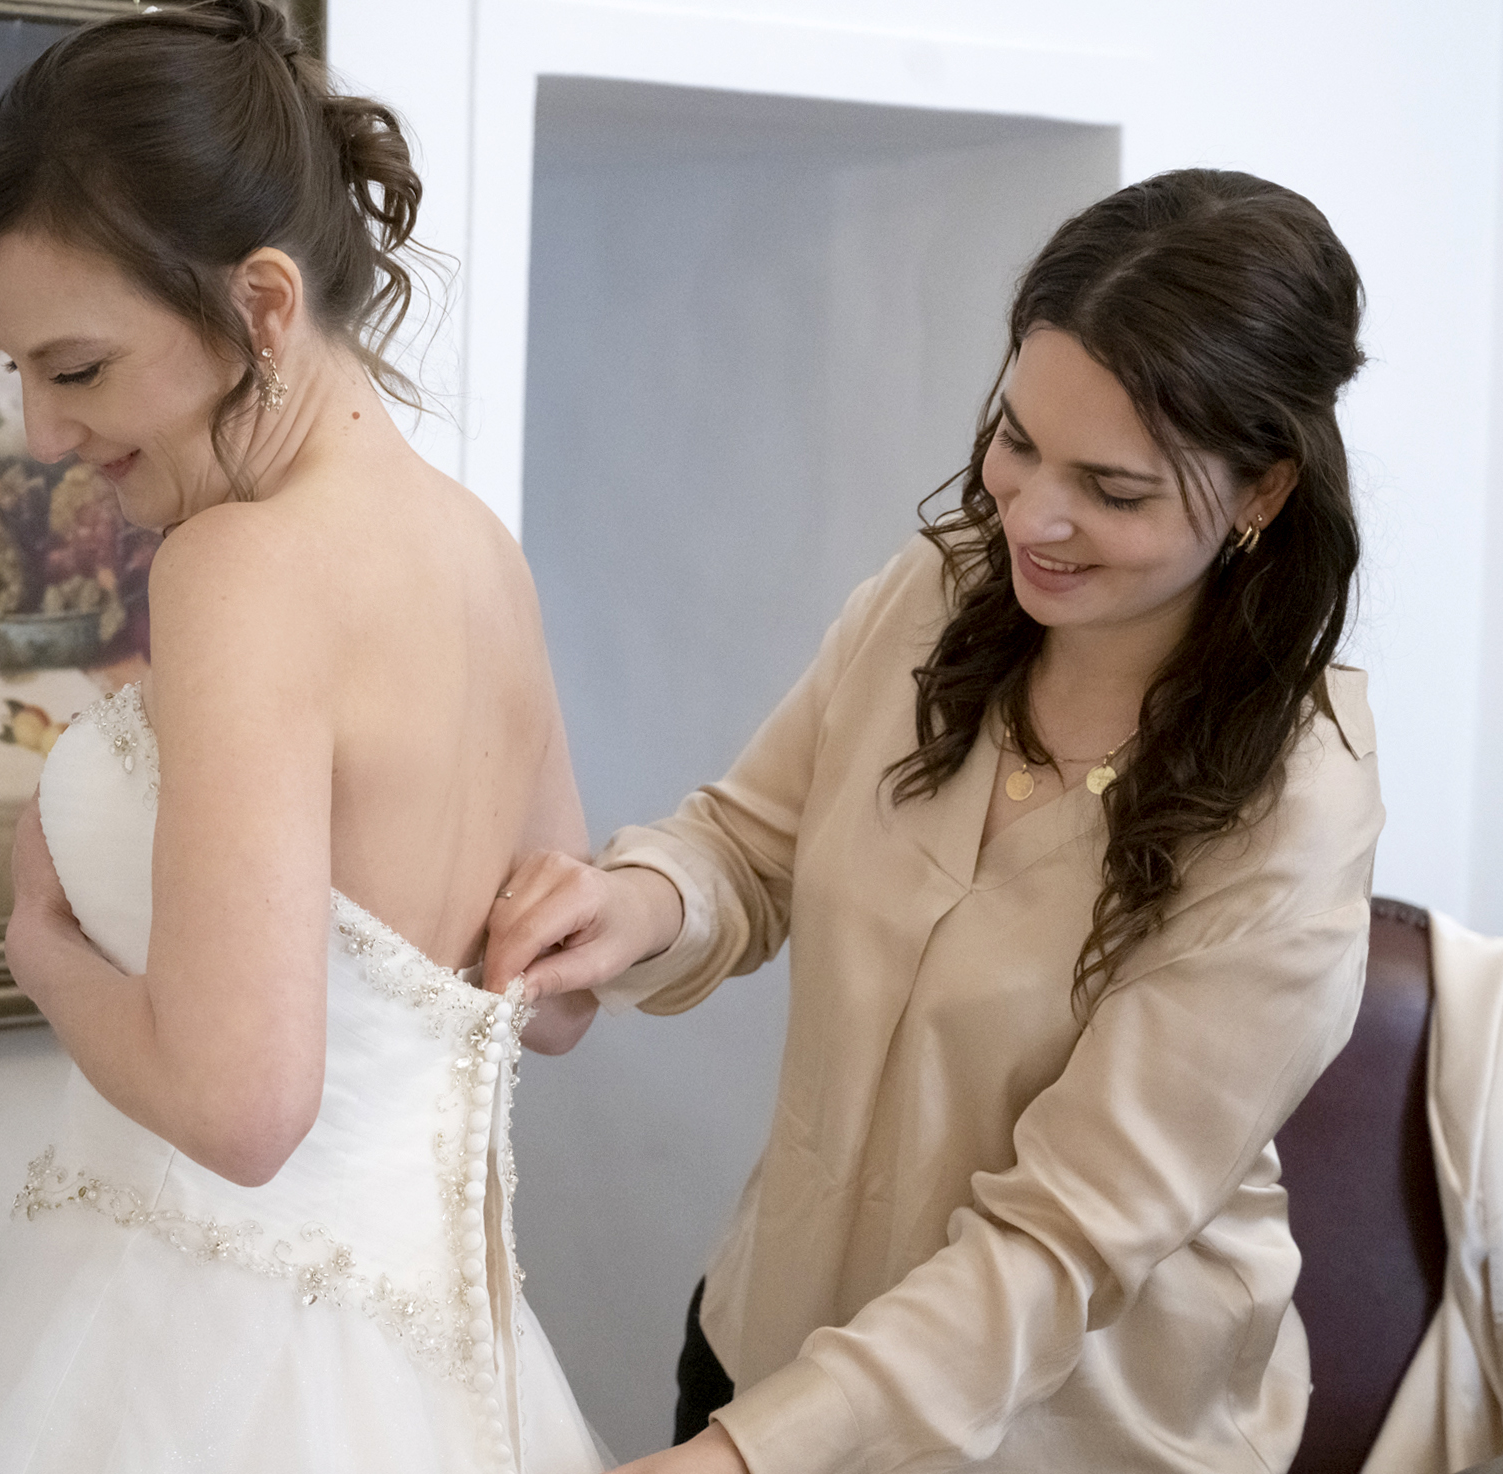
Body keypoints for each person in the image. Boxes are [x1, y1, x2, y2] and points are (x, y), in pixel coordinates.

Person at [482, 168, 1381, 1474]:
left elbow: (1055, 1245)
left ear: (1264, 492)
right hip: (763, 1351)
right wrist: (636, 905)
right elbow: (748, 846)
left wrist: (746, 1458)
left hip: (1053, 1439)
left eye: (1113, 489)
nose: (1031, 515)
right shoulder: (941, 595)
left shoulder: (1296, 808)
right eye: (1016, 439)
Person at [0, 4, 605, 1470]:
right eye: (16, 371)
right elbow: (552, 993)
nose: (43, 434)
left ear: (265, 306)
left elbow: (241, 1109)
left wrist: (41, 943)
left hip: (228, 1366)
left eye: (78, 369)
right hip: (441, 1372)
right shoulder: (481, 552)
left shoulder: (239, 569)